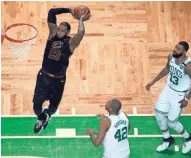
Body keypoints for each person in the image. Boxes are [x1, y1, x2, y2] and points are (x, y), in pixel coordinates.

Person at [32, 7, 90, 134]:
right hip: (43, 77)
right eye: (58, 29)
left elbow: (80, 34)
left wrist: (80, 19)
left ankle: (47, 115)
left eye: (62, 31)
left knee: (52, 108)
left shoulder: (70, 43)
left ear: (68, 32)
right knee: (36, 108)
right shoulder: (52, 34)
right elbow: (51, 12)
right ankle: (43, 118)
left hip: (58, 80)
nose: (59, 32)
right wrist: (69, 10)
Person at [146, 41, 191, 154]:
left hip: (179, 95)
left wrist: (186, 99)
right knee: (159, 114)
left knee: (172, 122)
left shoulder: (188, 66)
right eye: (176, 47)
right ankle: (167, 139)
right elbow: (166, 69)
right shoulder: (171, 56)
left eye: (178, 49)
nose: (175, 50)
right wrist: (153, 82)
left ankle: (188, 138)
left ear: (184, 52)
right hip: (168, 90)